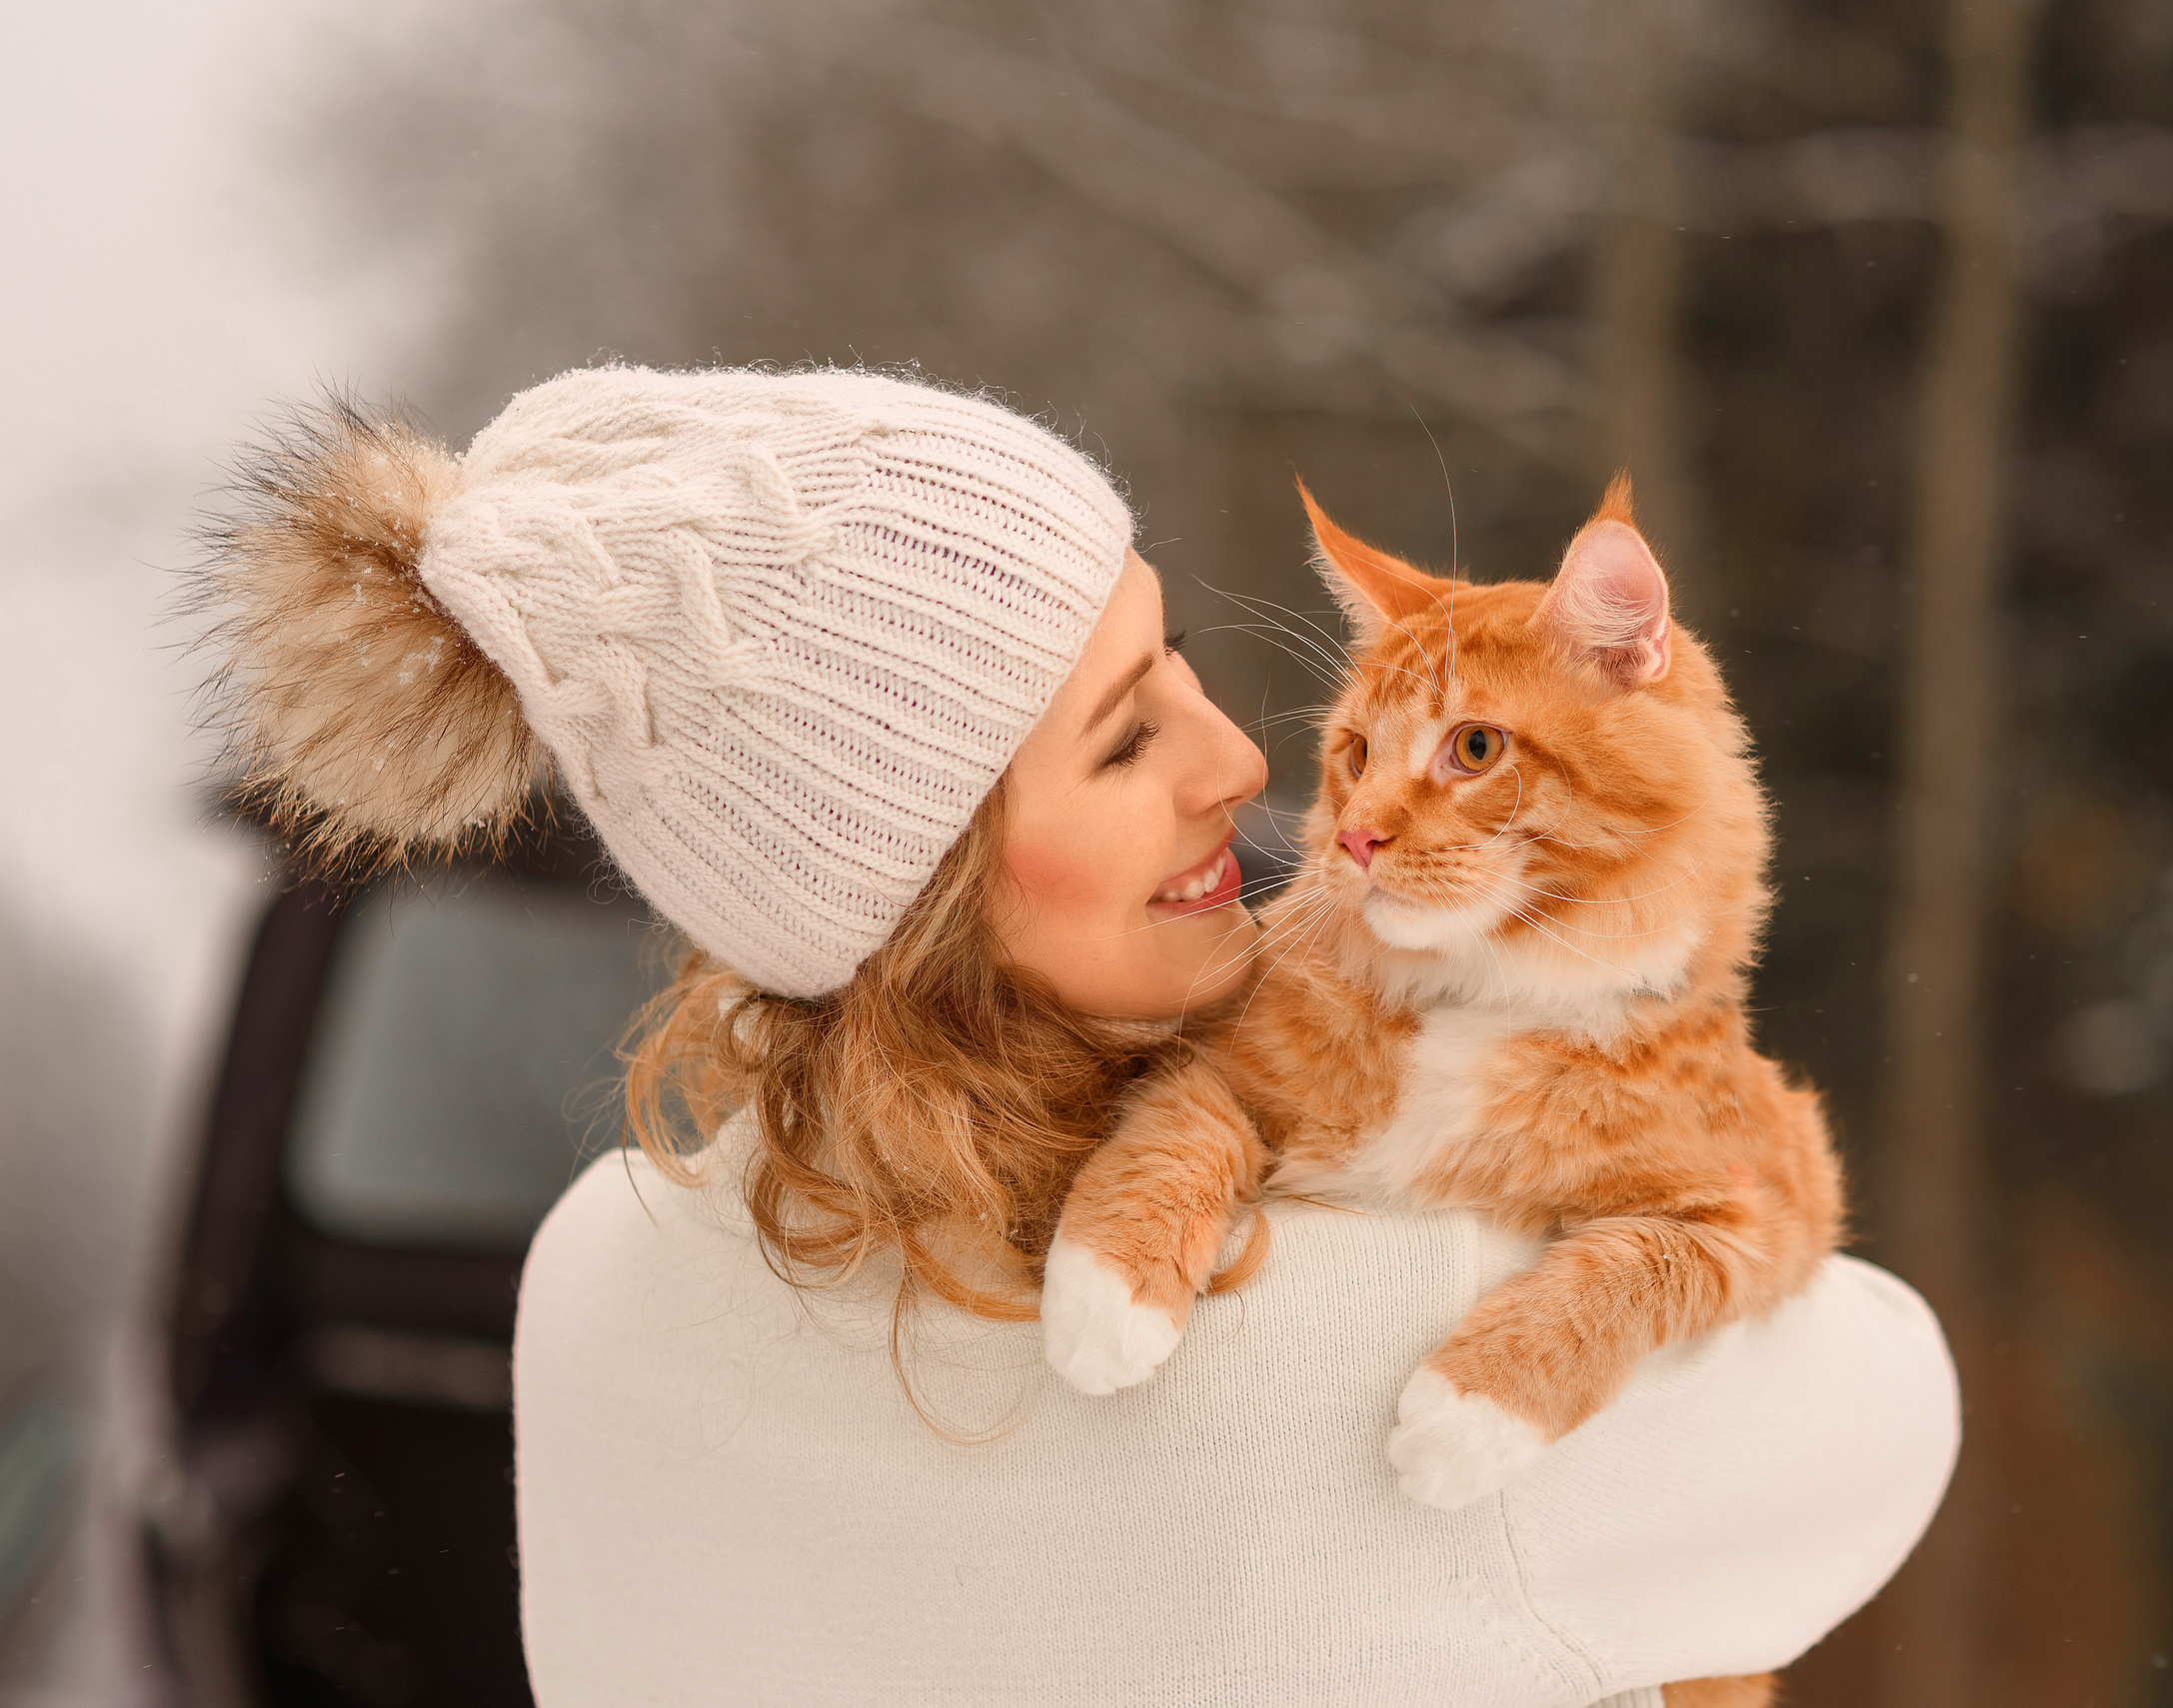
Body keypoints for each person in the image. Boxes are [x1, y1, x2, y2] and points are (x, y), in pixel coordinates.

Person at [204, 366, 1958, 1707]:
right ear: (932, 887)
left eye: (1180, 660)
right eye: (1127, 742)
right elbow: (1886, 1410)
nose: (1244, 763)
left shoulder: (594, 1278)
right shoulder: (1360, 1321)